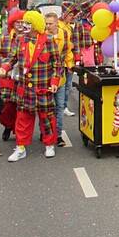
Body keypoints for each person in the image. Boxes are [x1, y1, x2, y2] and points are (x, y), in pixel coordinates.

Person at [0, 10, 62, 162]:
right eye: (23, 23)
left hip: (43, 88)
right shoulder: (20, 40)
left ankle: (49, 144)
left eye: (27, 23)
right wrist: (3, 69)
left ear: (35, 26)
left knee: (47, 119)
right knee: (23, 119)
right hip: (25, 88)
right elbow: (11, 59)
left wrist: (54, 83)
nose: (24, 26)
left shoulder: (49, 40)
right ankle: (20, 147)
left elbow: (57, 64)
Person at [0, 9, 25, 141]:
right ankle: (8, 125)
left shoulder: (28, 38)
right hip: (7, 76)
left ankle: (19, 131)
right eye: (17, 22)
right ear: (12, 23)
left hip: (23, 76)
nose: (19, 25)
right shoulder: (5, 38)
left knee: (21, 105)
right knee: (6, 105)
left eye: (22, 22)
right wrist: (5, 66)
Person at [45, 12, 72, 147]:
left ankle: (58, 134)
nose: (48, 26)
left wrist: (70, 64)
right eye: (46, 23)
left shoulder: (64, 33)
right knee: (47, 107)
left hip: (60, 75)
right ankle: (47, 133)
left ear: (56, 23)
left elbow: (67, 50)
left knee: (60, 106)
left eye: (50, 23)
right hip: (45, 77)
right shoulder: (43, 35)